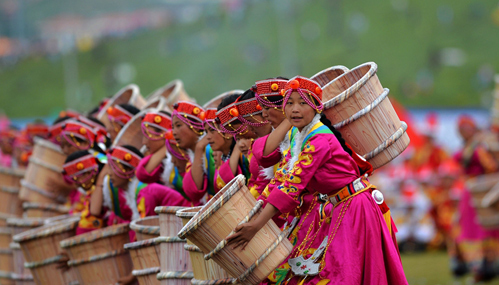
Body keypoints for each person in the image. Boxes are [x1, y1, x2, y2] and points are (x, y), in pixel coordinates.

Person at [227, 76, 408, 285]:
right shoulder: (298, 134)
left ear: (316, 107)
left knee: (343, 277)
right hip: (338, 207)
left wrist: (256, 225)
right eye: (290, 103)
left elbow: (292, 185)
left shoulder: (319, 139)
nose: (295, 109)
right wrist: (253, 215)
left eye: (303, 103)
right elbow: (280, 176)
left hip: (355, 208)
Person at [453, 115, 499, 282]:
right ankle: (473, 265)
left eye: (466, 128)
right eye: (460, 129)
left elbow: (491, 166)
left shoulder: (480, 145)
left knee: (481, 229)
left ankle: (485, 267)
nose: (463, 132)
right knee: (467, 229)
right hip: (468, 191)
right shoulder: (472, 145)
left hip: (478, 191)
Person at [136, 110, 197, 217]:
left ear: (164, 134)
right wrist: (165, 145)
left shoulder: (181, 151)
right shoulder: (165, 158)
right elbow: (142, 173)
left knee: (149, 191)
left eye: (147, 135)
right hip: (189, 208)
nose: (144, 143)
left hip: (195, 207)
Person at [61, 150, 108, 235]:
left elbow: (95, 211)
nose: (76, 185)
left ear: (89, 172)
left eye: (76, 179)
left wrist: (100, 179)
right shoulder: (93, 188)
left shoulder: (106, 183)